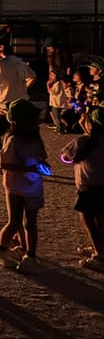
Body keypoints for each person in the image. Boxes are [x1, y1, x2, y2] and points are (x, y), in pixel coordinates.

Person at [0, 99, 48, 273]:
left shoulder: (35, 137)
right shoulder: (13, 139)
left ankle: (30, 255)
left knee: (31, 223)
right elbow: (4, 164)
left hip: (33, 185)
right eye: (32, 119)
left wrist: (41, 165)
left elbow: (41, 156)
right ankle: (0, 250)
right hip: (15, 185)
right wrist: (27, 168)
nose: (37, 121)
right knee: (14, 222)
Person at [61, 106, 104, 270]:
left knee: (87, 218)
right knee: (100, 218)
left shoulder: (84, 141)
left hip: (88, 186)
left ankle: (99, 253)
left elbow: (66, 157)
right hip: (102, 185)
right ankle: (99, 247)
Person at [0, 41, 36, 160]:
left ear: (1, 48)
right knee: (12, 133)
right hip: (20, 103)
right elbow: (33, 77)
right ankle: (13, 157)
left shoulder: (0, 63)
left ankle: (0, 160)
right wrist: (23, 89)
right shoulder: (19, 61)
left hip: (5, 104)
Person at [47, 69, 69, 133]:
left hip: (56, 103)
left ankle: (59, 129)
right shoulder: (58, 83)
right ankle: (59, 128)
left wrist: (48, 85)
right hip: (56, 102)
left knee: (56, 116)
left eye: (52, 75)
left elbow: (53, 92)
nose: (50, 76)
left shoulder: (57, 83)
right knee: (57, 116)